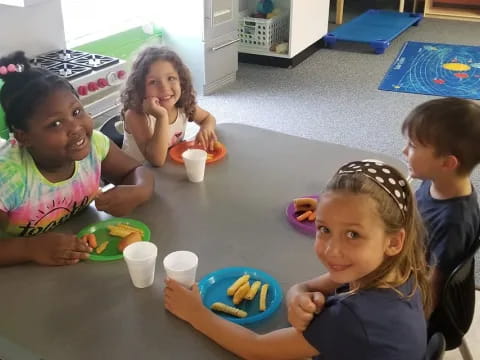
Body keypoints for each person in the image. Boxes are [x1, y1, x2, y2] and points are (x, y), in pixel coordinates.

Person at [164, 160, 431, 360]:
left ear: (394, 241)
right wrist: (297, 298)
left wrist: (195, 314)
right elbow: (306, 288)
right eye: (324, 229)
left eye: (353, 234)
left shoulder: (354, 318)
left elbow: (256, 349)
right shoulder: (398, 270)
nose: (331, 250)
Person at [0, 51, 154, 266]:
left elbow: (136, 172)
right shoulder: (8, 178)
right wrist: (30, 248)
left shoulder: (94, 145)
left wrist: (139, 190)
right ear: (23, 137)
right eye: (55, 124)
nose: (75, 128)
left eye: (76, 112)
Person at [401, 97, 480, 310]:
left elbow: (432, 291)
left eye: (412, 145)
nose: (404, 152)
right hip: (407, 253)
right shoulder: (437, 179)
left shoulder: (453, 223)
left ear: (447, 163)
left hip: (414, 295)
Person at [121, 46, 217, 167]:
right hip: (137, 176)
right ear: (140, 88)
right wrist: (162, 117)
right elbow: (156, 160)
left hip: (169, 169)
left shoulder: (182, 104)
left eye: (171, 78)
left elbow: (208, 118)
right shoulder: (135, 115)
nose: (164, 88)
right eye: (153, 82)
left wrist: (206, 128)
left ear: (181, 81)